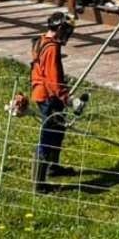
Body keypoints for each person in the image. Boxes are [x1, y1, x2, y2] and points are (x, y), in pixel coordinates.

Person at [30, 11, 77, 192]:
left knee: (58, 131)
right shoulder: (52, 48)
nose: (67, 35)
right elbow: (53, 80)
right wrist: (69, 99)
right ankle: (39, 184)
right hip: (49, 96)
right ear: (59, 29)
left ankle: (53, 167)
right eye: (66, 31)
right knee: (48, 136)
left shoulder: (41, 40)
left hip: (46, 94)